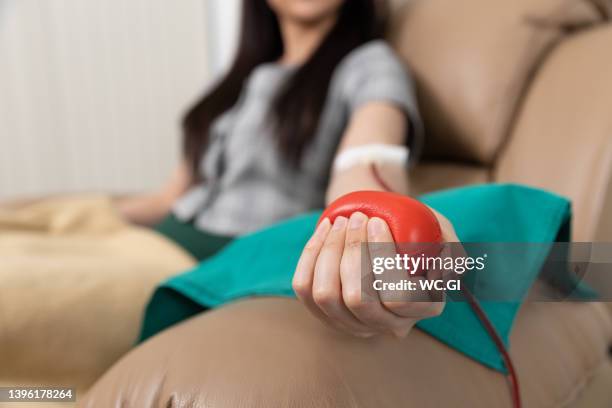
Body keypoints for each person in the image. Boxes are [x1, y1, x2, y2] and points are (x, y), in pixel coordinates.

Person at [10, 0, 460, 339]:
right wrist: (58, 216)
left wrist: (384, 222)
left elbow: (367, 166)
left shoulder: (368, 63)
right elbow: (167, 200)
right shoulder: (237, 81)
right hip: (150, 236)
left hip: (200, 266)